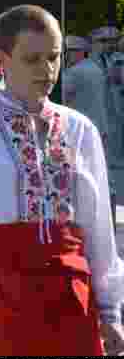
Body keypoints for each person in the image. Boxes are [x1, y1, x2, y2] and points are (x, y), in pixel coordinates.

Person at [0, 4, 124, 356]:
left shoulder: (80, 130)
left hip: (73, 301)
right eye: (32, 59)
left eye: (54, 57)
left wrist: (110, 310)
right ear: (2, 59)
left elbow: (98, 226)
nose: (47, 70)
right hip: (2, 302)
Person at [63, 26, 124, 219]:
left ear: (80, 52)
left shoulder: (76, 72)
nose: (67, 56)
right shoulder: (95, 70)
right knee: (105, 176)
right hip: (103, 127)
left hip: (83, 131)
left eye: (70, 52)